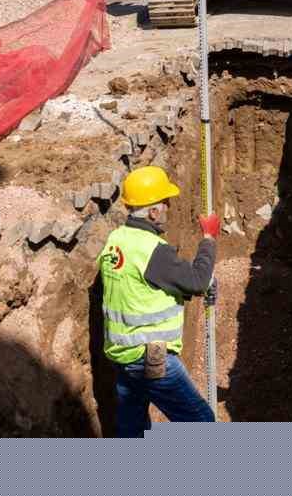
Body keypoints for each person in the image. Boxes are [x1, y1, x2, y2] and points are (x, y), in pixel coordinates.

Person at [99, 165, 221, 437]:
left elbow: (141, 287)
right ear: (153, 211)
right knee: (201, 421)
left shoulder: (115, 241)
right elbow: (198, 280)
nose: (168, 207)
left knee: (132, 428)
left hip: (122, 356)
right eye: (165, 202)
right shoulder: (152, 250)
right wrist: (209, 240)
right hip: (151, 359)